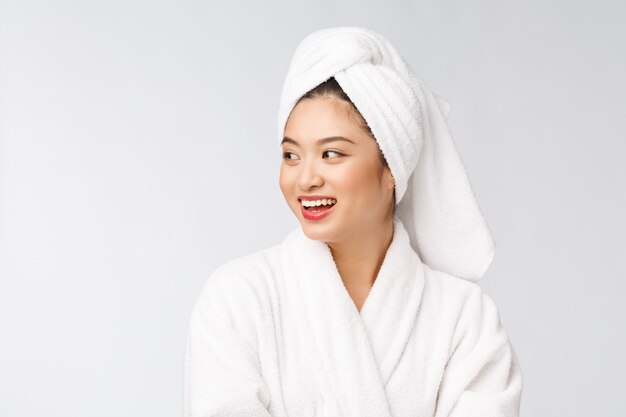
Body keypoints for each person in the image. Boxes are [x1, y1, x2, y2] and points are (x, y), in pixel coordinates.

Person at [183, 26, 523, 417]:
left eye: (331, 154)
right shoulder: (239, 299)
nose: (305, 178)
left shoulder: (465, 318)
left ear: (392, 166)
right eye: (291, 155)